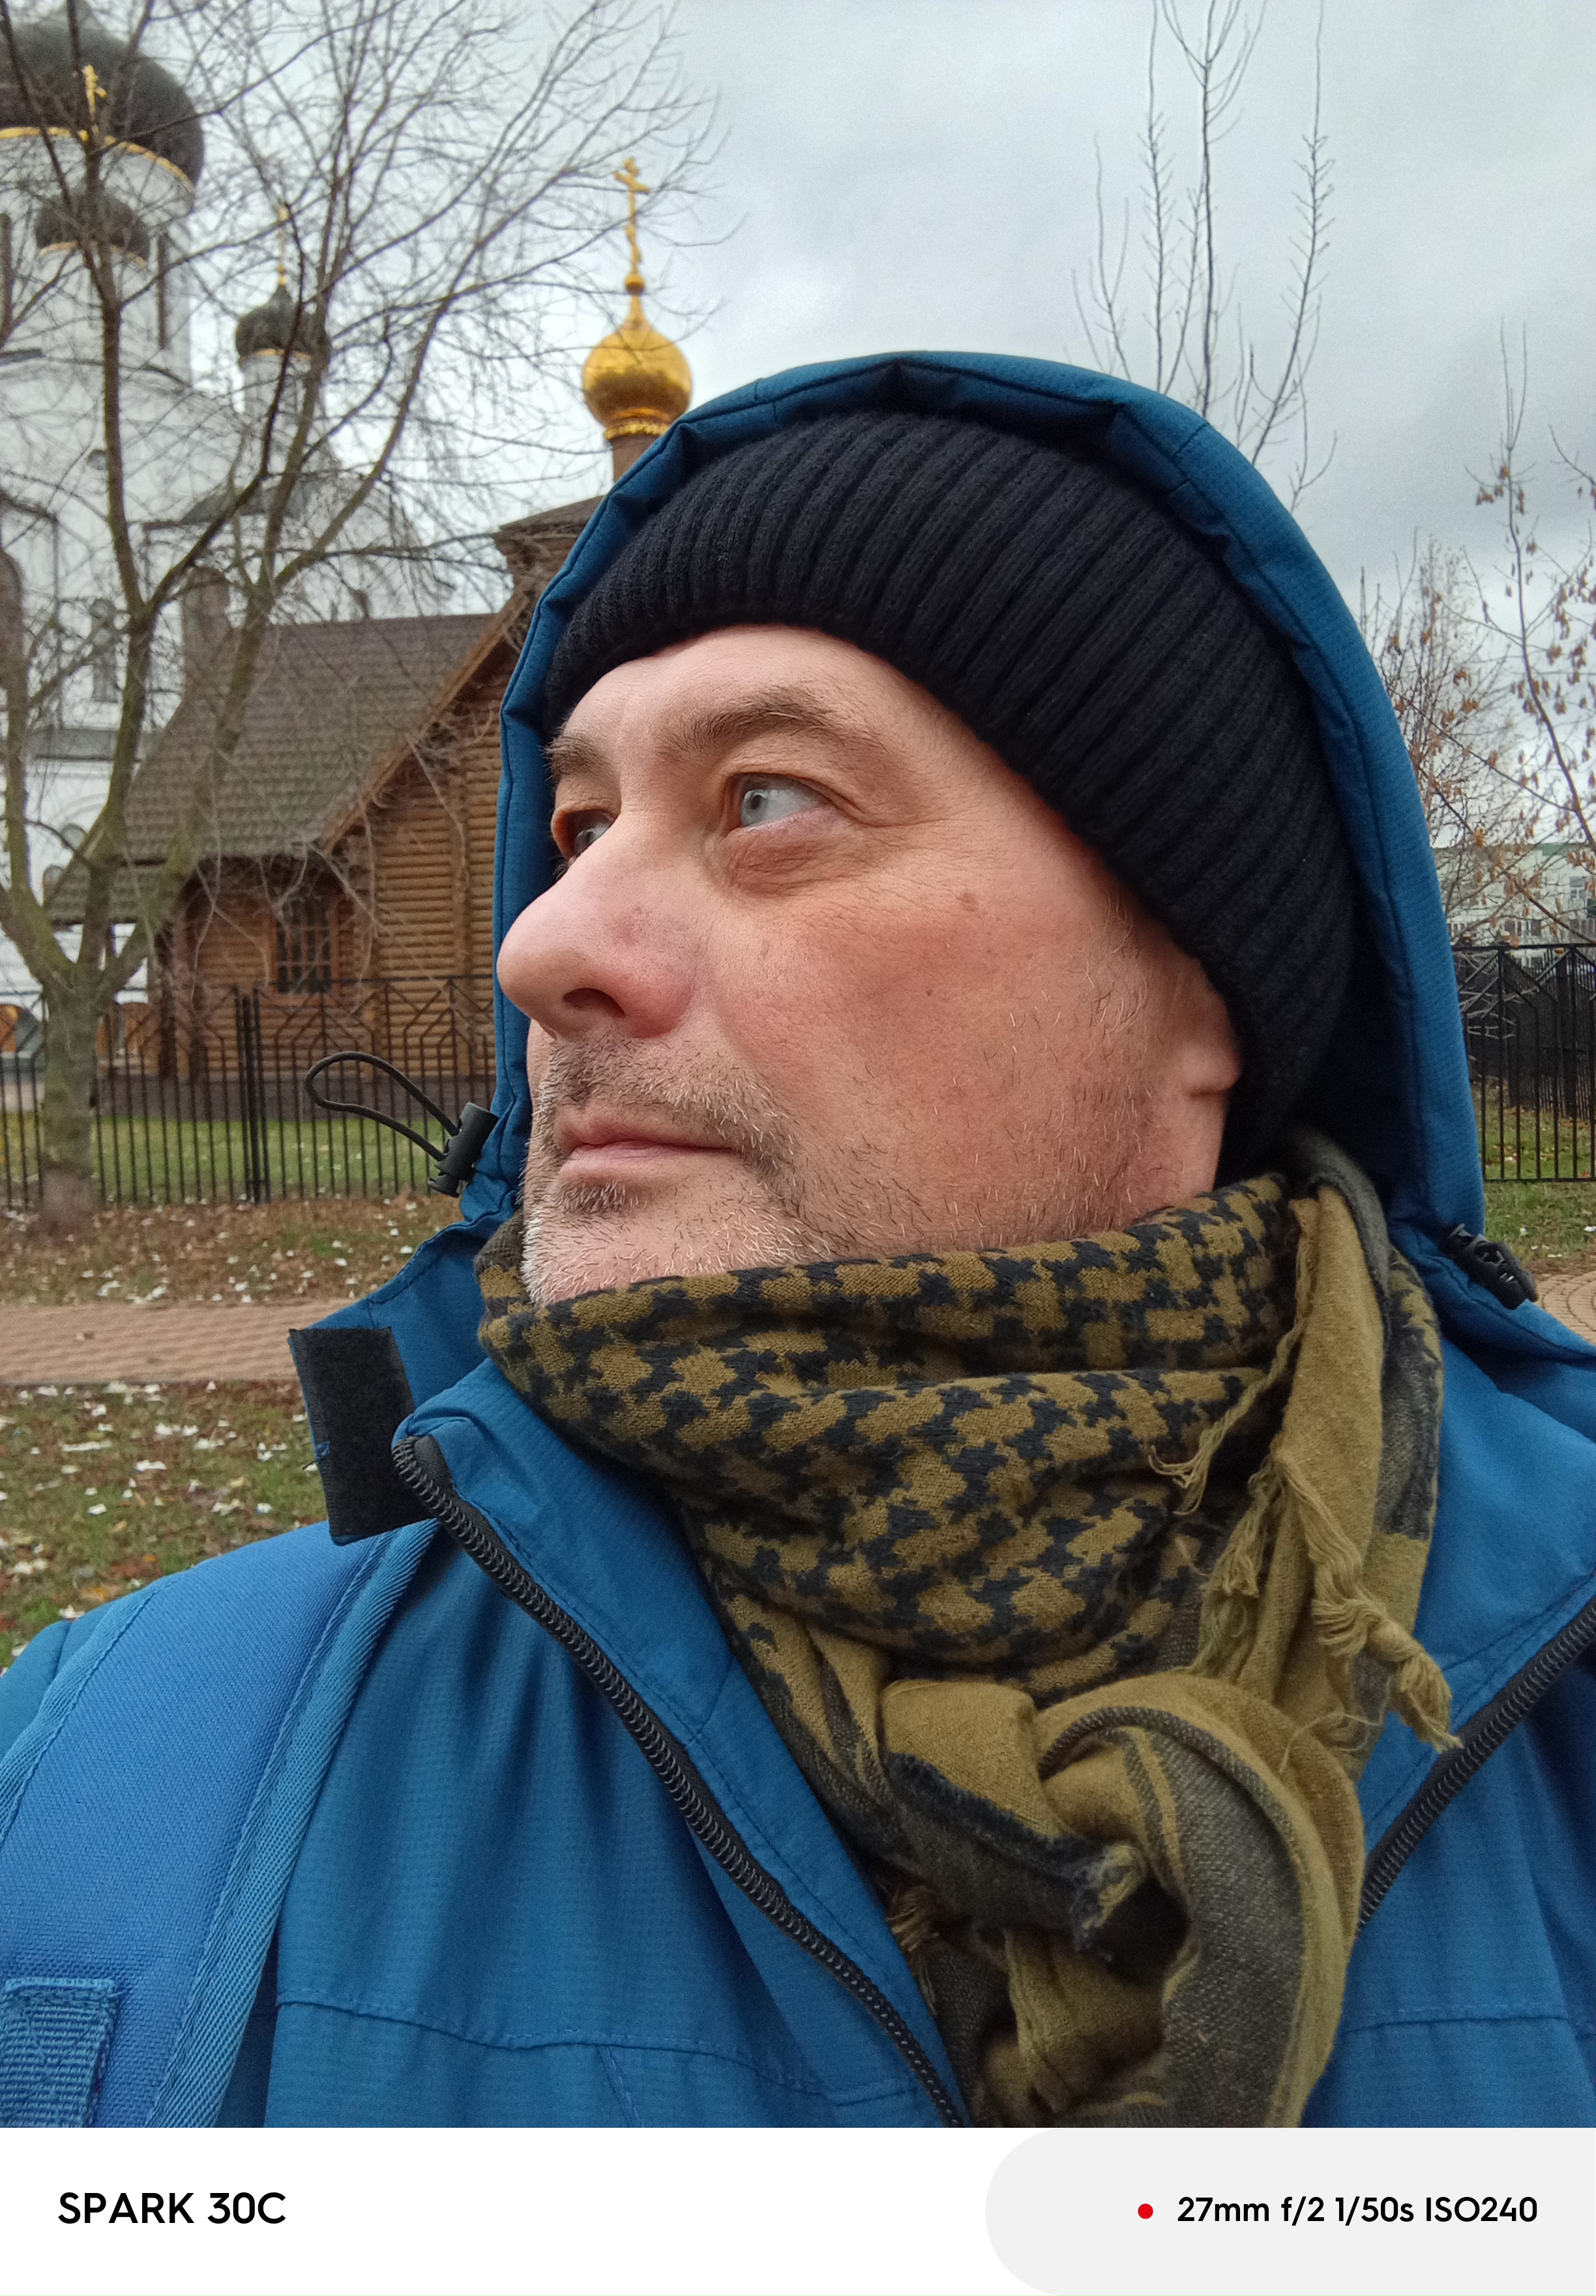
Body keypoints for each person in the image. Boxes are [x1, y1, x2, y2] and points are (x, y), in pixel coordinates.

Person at [1, 354, 1593, 2130]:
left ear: (1197, 985)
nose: (541, 944)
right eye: (580, 825)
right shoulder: (113, 1791)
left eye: (765, 802)